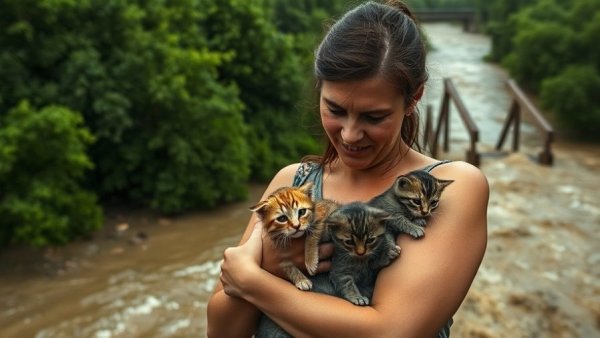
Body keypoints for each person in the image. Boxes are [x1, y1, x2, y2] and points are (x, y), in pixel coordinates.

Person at [206, 0, 489, 337]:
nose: (351, 134)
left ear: (413, 99)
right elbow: (223, 331)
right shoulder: (292, 183)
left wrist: (254, 278)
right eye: (335, 109)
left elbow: (391, 332)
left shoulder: (451, 187)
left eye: (374, 117)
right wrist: (271, 269)